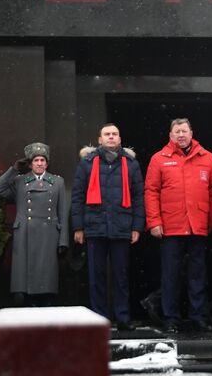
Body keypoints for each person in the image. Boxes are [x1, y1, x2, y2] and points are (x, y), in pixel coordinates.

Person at [145, 118, 212, 333]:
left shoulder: (208, 158)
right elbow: (151, 192)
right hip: (170, 226)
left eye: (184, 131)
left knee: (198, 275)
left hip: (198, 225)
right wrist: (154, 222)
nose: (181, 135)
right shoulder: (159, 159)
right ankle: (171, 318)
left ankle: (199, 317)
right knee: (171, 275)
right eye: (177, 131)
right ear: (170, 135)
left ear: (191, 133)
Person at [71, 124, 145, 330]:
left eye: (114, 134)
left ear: (120, 139)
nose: (111, 137)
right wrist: (78, 227)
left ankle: (123, 317)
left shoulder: (131, 164)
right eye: (107, 134)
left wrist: (137, 226)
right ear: (100, 139)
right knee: (96, 277)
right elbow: (77, 196)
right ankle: (99, 319)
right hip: (94, 227)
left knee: (121, 276)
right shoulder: (87, 163)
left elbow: (139, 196)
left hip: (122, 226)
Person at [0, 142, 69, 306]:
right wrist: (13, 169)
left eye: (42, 160)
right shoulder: (20, 181)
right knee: (23, 284)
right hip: (25, 234)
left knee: (46, 278)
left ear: (47, 163)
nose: (39, 163)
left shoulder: (57, 182)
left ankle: (45, 304)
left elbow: (62, 212)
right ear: (30, 164)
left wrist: (63, 240)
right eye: (36, 160)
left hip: (48, 235)